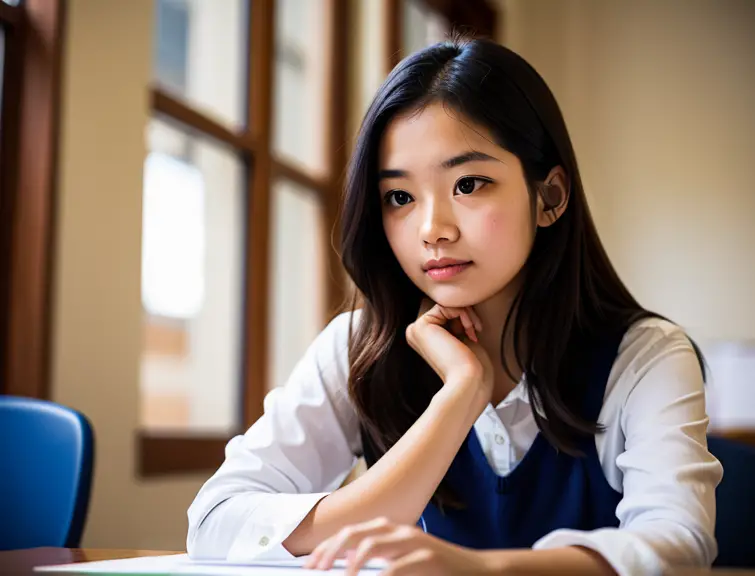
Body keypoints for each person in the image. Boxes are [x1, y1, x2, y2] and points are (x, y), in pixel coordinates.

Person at [186, 37, 723, 575]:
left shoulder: (646, 358)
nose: (432, 230)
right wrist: (459, 395)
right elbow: (214, 521)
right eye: (400, 197)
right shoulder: (357, 348)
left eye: (469, 184)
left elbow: (677, 545)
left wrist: (482, 570)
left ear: (550, 197)